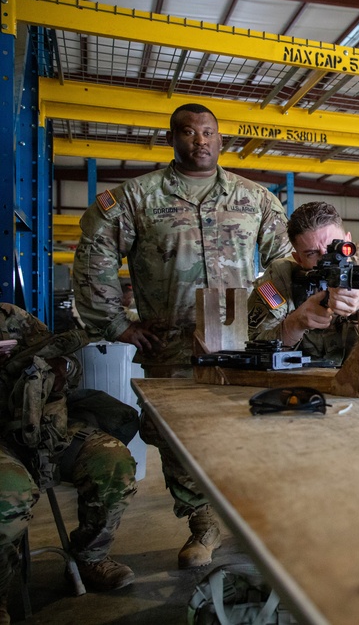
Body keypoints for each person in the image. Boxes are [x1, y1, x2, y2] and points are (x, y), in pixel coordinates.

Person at [72, 103, 292, 570]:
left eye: (209, 132)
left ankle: (254, 520)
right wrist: (115, 323)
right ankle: (203, 523)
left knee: (246, 433)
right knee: (175, 440)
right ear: (172, 138)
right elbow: (94, 250)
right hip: (171, 347)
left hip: (242, 346)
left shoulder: (254, 198)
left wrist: (274, 313)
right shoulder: (138, 197)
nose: (200, 140)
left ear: (220, 138)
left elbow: (281, 266)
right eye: (189, 132)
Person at [0, 304, 138, 623]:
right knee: (8, 491)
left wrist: (62, 368)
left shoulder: (14, 318)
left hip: (49, 428)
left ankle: (91, 557)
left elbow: (69, 363)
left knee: (111, 461)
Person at [248, 202, 359, 364]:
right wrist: (294, 325)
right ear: (298, 258)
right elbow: (252, 349)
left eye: (334, 248)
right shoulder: (281, 276)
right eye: (312, 253)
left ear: (348, 241)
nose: (327, 258)